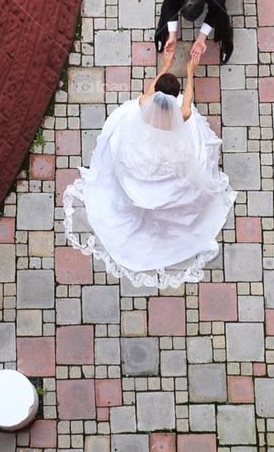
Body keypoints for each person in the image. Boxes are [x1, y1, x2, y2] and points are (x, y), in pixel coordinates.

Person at [62, 48, 236, 288]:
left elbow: (150, 90)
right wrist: (190, 72)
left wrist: (165, 65)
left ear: (157, 95)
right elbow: (188, 98)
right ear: (173, 97)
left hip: (144, 152)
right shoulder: (182, 115)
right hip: (168, 154)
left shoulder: (144, 104)